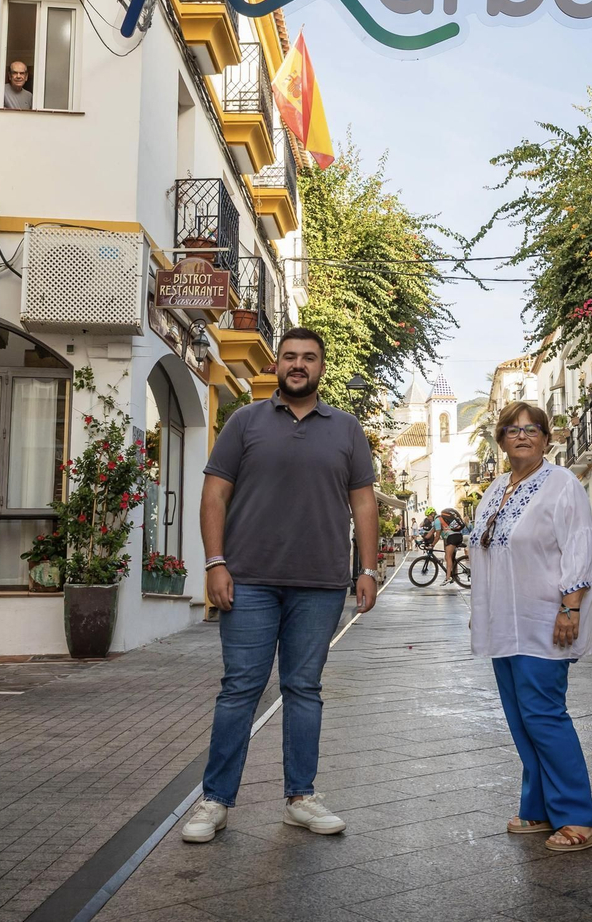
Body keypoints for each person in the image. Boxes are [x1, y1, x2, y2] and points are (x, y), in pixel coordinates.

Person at [180, 327, 380, 843]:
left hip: (319, 584)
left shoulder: (347, 429)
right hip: (248, 580)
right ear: (277, 364)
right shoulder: (244, 422)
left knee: (304, 690)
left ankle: (300, 797)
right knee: (239, 689)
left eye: (308, 357)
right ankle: (215, 801)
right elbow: (213, 496)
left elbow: (363, 504)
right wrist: (215, 563)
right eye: (290, 356)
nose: (298, 365)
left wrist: (368, 568)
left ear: (321, 366)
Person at [469, 400, 592, 853]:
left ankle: (579, 817)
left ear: (547, 438)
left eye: (532, 429)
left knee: (545, 717)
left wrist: (570, 607)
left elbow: (579, 546)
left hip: (546, 620)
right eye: (512, 429)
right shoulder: (494, 490)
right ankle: (540, 807)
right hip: (504, 624)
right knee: (520, 719)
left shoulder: (562, 485)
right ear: (501, 440)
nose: (522, 435)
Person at [438, 507, 467, 584]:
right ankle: (455, 576)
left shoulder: (438, 520)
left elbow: (436, 534)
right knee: (452, 557)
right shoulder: (444, 519)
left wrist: (432, 544)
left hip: (452, 537)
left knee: (448, 557)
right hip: (458, 536)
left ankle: (448, 577)